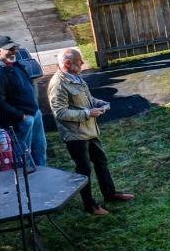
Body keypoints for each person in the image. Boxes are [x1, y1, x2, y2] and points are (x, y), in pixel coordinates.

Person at [48, 48, 134, 216]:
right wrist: (87, 113)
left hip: (89, 130)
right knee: (84, 169)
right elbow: (60, 112)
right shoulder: (58, 84)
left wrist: (98, 103)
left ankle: (110, 194)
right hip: (75, 135)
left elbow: (87, 99)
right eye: (79, 61)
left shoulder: (76, 77)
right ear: (67, 63)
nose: (82, 63)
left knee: (101, 161)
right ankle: (90, 205)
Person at [0, 35, 47, 169]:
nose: (13, 51)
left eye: (14, 48)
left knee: (40, 151)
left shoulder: (16, 64)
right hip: (21, 120)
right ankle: (28, 184)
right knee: (24, 157)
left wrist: (35, 110)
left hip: (34, 114)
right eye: (9, 49)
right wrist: (21, 116)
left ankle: (43, 174)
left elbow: (28, 84)